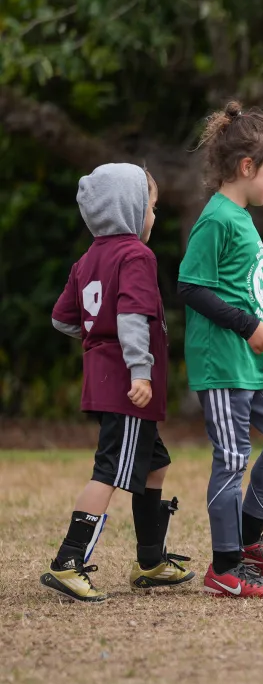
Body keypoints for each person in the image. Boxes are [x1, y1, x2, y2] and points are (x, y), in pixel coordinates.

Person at [42, 163, 194, 602]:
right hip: (130, 386)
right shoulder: (135, 255)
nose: (153, 216)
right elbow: (130, 317)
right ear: (129, 207)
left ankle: (150, 560)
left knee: (155, 464)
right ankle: (68, 562)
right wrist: (139, 370)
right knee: (109, 470)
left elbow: (61, 319)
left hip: (106, 380)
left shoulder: (88, 257)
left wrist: (98, 338)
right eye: (151, 207)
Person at [178, 101, 263, 599]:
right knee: (232, 458)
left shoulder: (243, 218)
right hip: (223, 364)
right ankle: (224, 566)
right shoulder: (217, 219)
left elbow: (240, 290)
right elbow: (192, 288)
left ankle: (249, 538)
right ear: (247, 167)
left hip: (255, 360)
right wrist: (250, 326)